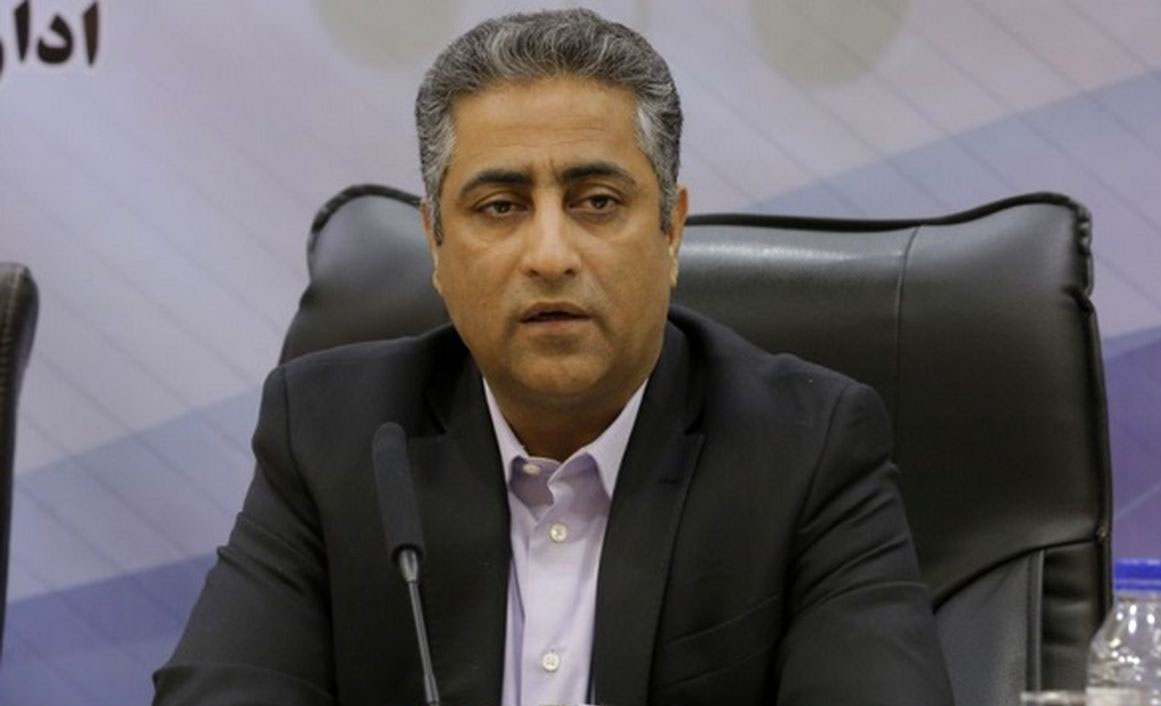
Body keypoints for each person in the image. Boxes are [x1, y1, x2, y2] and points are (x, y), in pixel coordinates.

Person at [154, 9, 953, 706]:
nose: (549, 254)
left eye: (596, 202)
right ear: (436, 243)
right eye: (500, 206)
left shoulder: (809, 449)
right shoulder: (331, 434)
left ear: (672, 231)